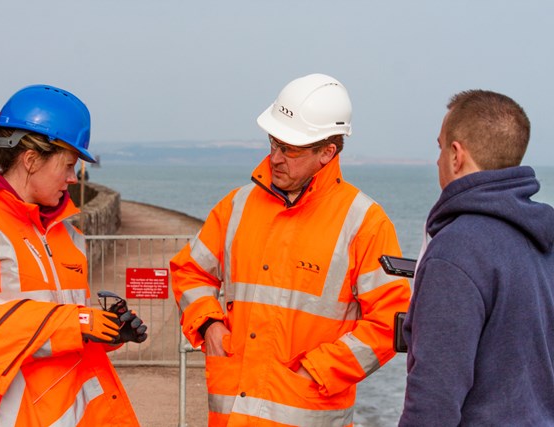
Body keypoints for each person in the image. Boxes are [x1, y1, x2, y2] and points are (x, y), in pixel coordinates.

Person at [170, 73, 411, 426]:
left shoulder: (364, 222)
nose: (276, 158)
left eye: (290, 149)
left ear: (327, 152)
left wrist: (318, 371)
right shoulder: (237, 206)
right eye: (273, 143)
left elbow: (392, 320)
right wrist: (208, 324)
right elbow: (190, 270)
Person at [0, 84, 147, 426]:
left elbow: (67, 331)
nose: (73, 179)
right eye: (68, 166)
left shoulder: (70, 237)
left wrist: (106, 333)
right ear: (31, 160)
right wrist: (75, 323)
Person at [399, 90, 554, 426]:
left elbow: (434, 397)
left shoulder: (457, 250)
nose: (438, 160)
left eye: (440, 147)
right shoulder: (545, 238)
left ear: (456, 155)